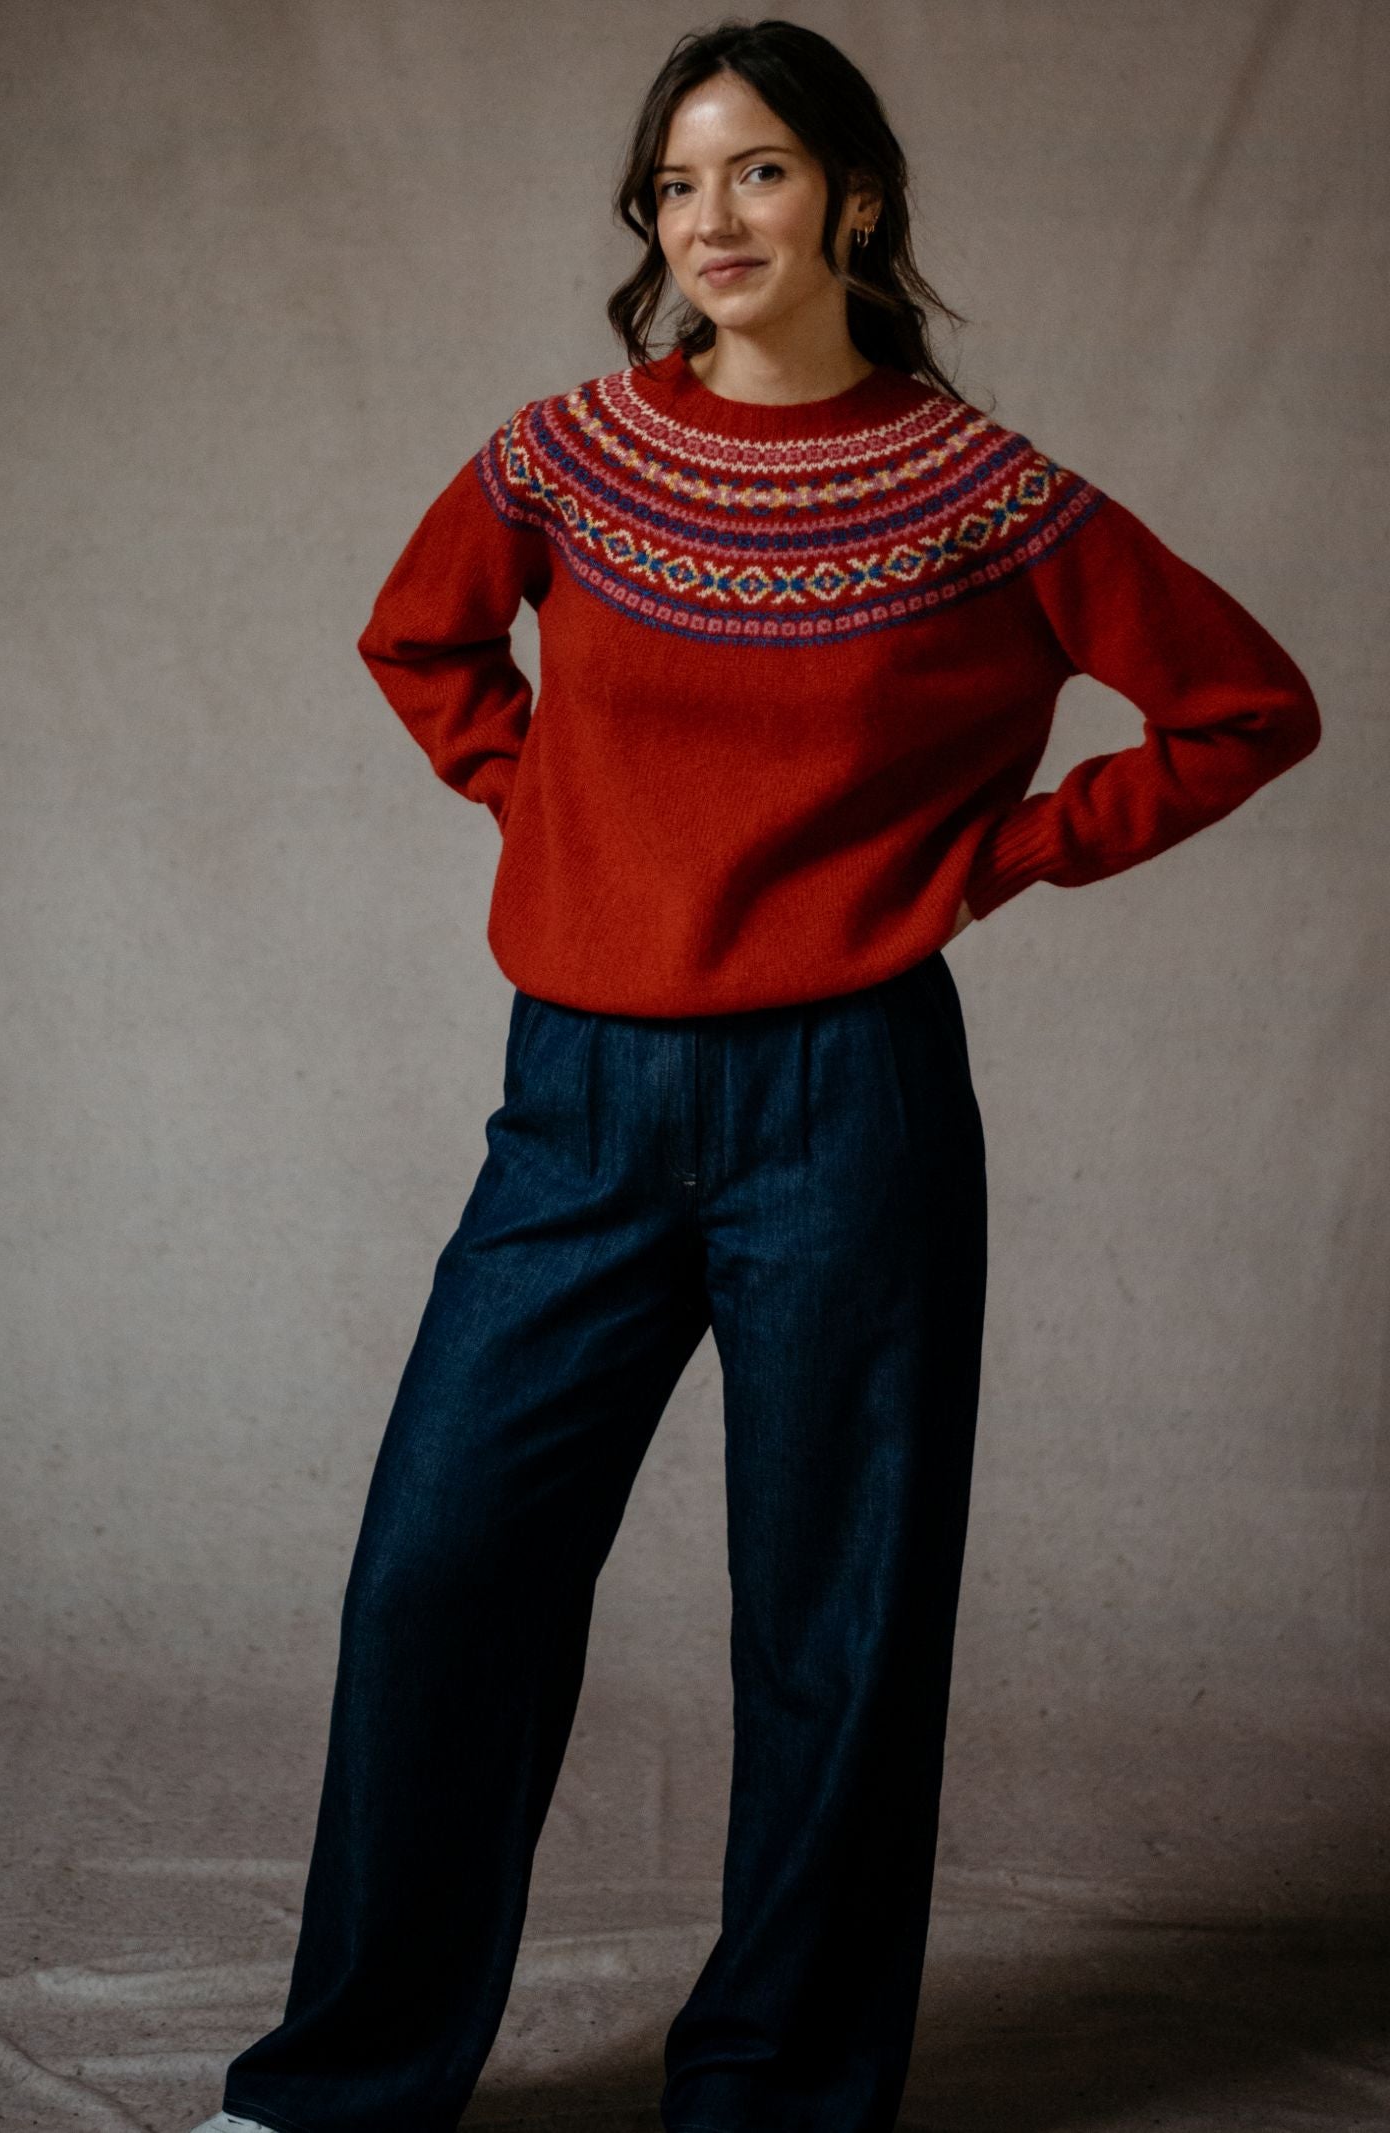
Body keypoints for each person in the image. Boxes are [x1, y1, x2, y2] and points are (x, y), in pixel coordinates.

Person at [189, 18, 1320, 2133]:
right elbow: (421, 642)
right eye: (675, 185)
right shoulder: (561, 455)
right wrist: (557, 820)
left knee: (838, 1622)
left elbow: (1242, 706)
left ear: (855, 201)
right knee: (440, 1572)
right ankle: (336, 2088)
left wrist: (994, 851)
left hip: (846, 1102)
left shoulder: (984, 491)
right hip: (580, 1102)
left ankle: (778, 2099)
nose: (709, 220)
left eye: (760, 174)